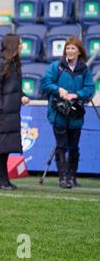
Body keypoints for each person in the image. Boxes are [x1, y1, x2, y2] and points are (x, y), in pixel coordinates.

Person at [41, 37, 94, 189]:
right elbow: (45, 83)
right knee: (61, 145)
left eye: (73, 48)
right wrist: (58, 90)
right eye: (67, 48)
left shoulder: (84, 69)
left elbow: (90, 88)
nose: (69, 51)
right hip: (58, 113)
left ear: (79, 51)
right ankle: (63, 177)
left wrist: (77, 94)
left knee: (74, 147)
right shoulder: (55, 67)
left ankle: (72, 176)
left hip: (75, 114)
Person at [0, 33, 30, 190]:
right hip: (1, 113)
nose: (21, 46)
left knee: (4, 148)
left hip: (10, 112)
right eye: (20, 43)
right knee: (0, 148)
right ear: (13, 44)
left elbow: (14, 88)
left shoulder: (12, 63)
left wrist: (22, 96)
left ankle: (1, 180)